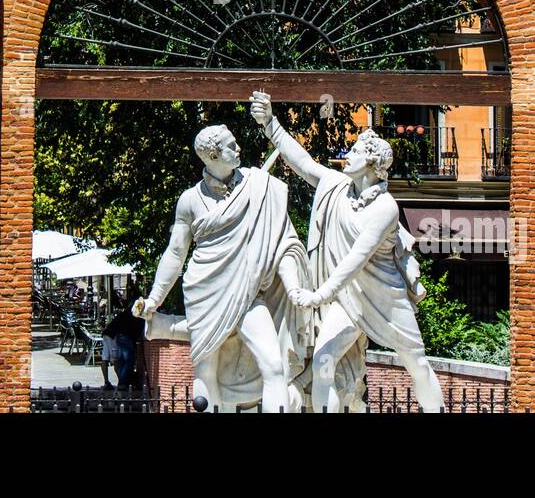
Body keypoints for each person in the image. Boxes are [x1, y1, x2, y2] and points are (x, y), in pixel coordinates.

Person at [251, 91, 444, 413]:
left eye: (355, 151)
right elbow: (302, 163)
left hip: (384, 296)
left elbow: (356, 259)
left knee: (416, 361)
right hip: (348, 298)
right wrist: (270, 123)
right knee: (324, 360)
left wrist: (318, 295)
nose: (347, 155)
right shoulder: (336, 186)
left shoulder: (385, 208)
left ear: (371, 164)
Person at [133, 123, 310, 412]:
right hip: (205, 294)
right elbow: (176, 252)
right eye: (230, 146)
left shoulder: (258, 186)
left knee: (274, 366)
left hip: (249, 294)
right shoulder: (190, 200)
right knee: (206, 373)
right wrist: (155, 298)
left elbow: (282, 241)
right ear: (212, 156)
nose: (238, 148)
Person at [103, 305, 145, 389]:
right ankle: (122, 382)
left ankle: (120, 382)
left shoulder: (128, 312)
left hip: (114, 335)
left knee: (121, 360)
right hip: (118, 336)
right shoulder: (139, 317)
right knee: (126, 361)